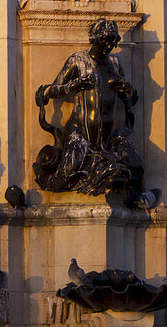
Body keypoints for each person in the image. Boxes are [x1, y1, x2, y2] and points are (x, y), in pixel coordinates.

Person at [34, 18, 149, 207]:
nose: (108, 46)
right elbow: (52, 90)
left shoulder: (114, 63)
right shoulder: (78, 60)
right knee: (69, 169)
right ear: (94, 40)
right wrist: (75, 84)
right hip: (80, 132)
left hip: (108, 137)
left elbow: (132, 99)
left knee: (135, 165)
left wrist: (127, 90)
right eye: (104, 41)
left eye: (112, 42)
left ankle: (135, 198)